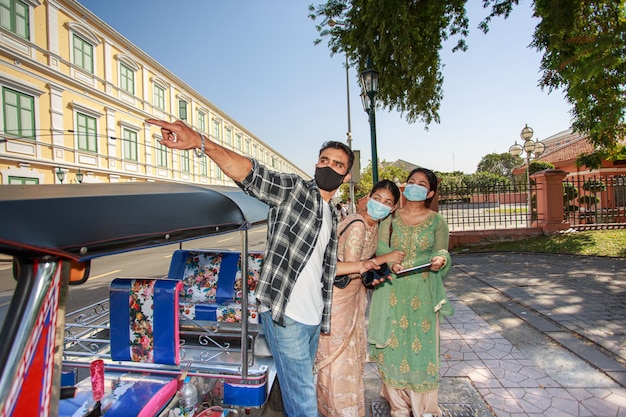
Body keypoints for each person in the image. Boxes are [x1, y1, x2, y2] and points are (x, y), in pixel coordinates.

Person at [145, 118, 377, 417]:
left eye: (338, 165)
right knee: (304, 402)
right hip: (286, 315)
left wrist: (366, 267)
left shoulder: (331, 212)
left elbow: (325, 266)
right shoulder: (294, 191)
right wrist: (202, 144)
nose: (328, 167)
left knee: (301, 389)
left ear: (346, 176)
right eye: (324, 160)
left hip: (314, 317)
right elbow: (252, 174)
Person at [368, 167, 454, 417]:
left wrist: (440, 260)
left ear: (431, 192)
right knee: (392, 345)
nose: (415, 186)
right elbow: (380, 247)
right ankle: (398, 405)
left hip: (424, 291)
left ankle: (423, 406)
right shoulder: (390, 218)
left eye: (421, 183)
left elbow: (442, 251)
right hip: (392, 290)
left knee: (422, 347)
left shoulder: (438, 221)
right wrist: (389, 261)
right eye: (411, 181)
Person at [316, 180, 405, 417]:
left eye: (388, 202)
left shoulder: (372, 223)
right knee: (338, 357)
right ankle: (338, 410)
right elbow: (349, 266)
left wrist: (379, 271)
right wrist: (383, 262)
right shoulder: (357, 224)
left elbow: (364, 269)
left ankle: (340, 408)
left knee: (348, 355)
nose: (381, 205)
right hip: (340, 298)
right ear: (369, 196)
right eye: (377, 198)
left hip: (354, 295)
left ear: (393, 208)